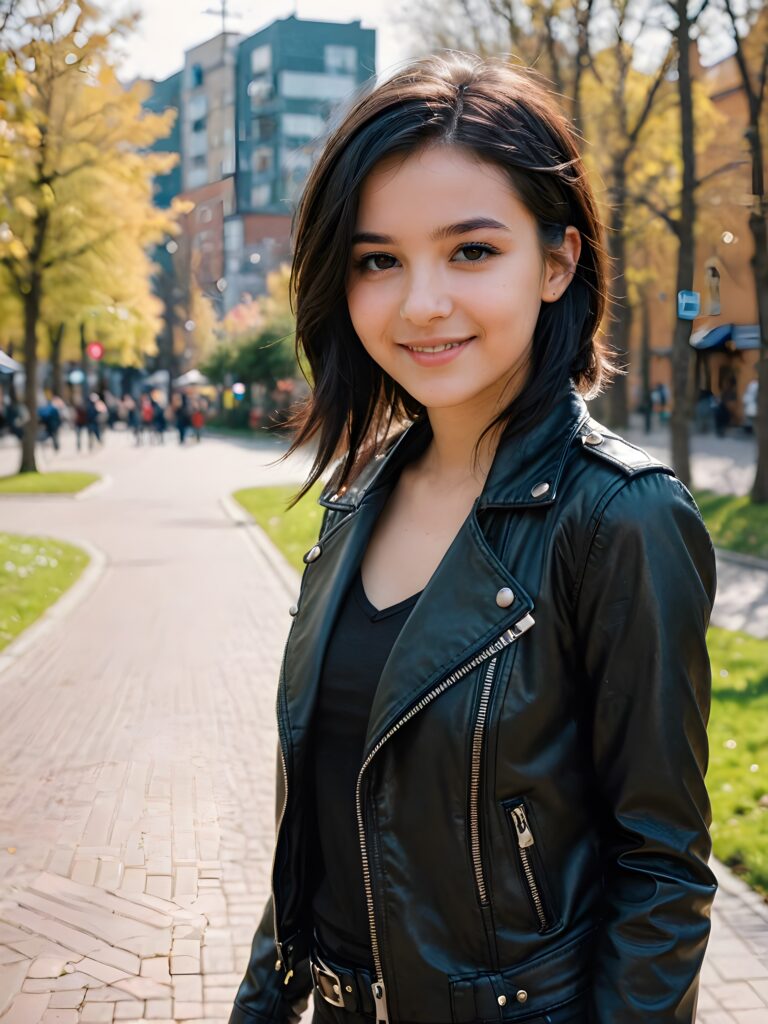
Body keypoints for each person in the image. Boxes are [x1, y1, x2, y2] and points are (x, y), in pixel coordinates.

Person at [230, 54, 717, 1024]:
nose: (420, 303)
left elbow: (660, 879)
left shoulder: (621, 517)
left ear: (558, 261)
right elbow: (324, 827)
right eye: (378, 260)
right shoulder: (356, 495)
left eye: (471, 251)